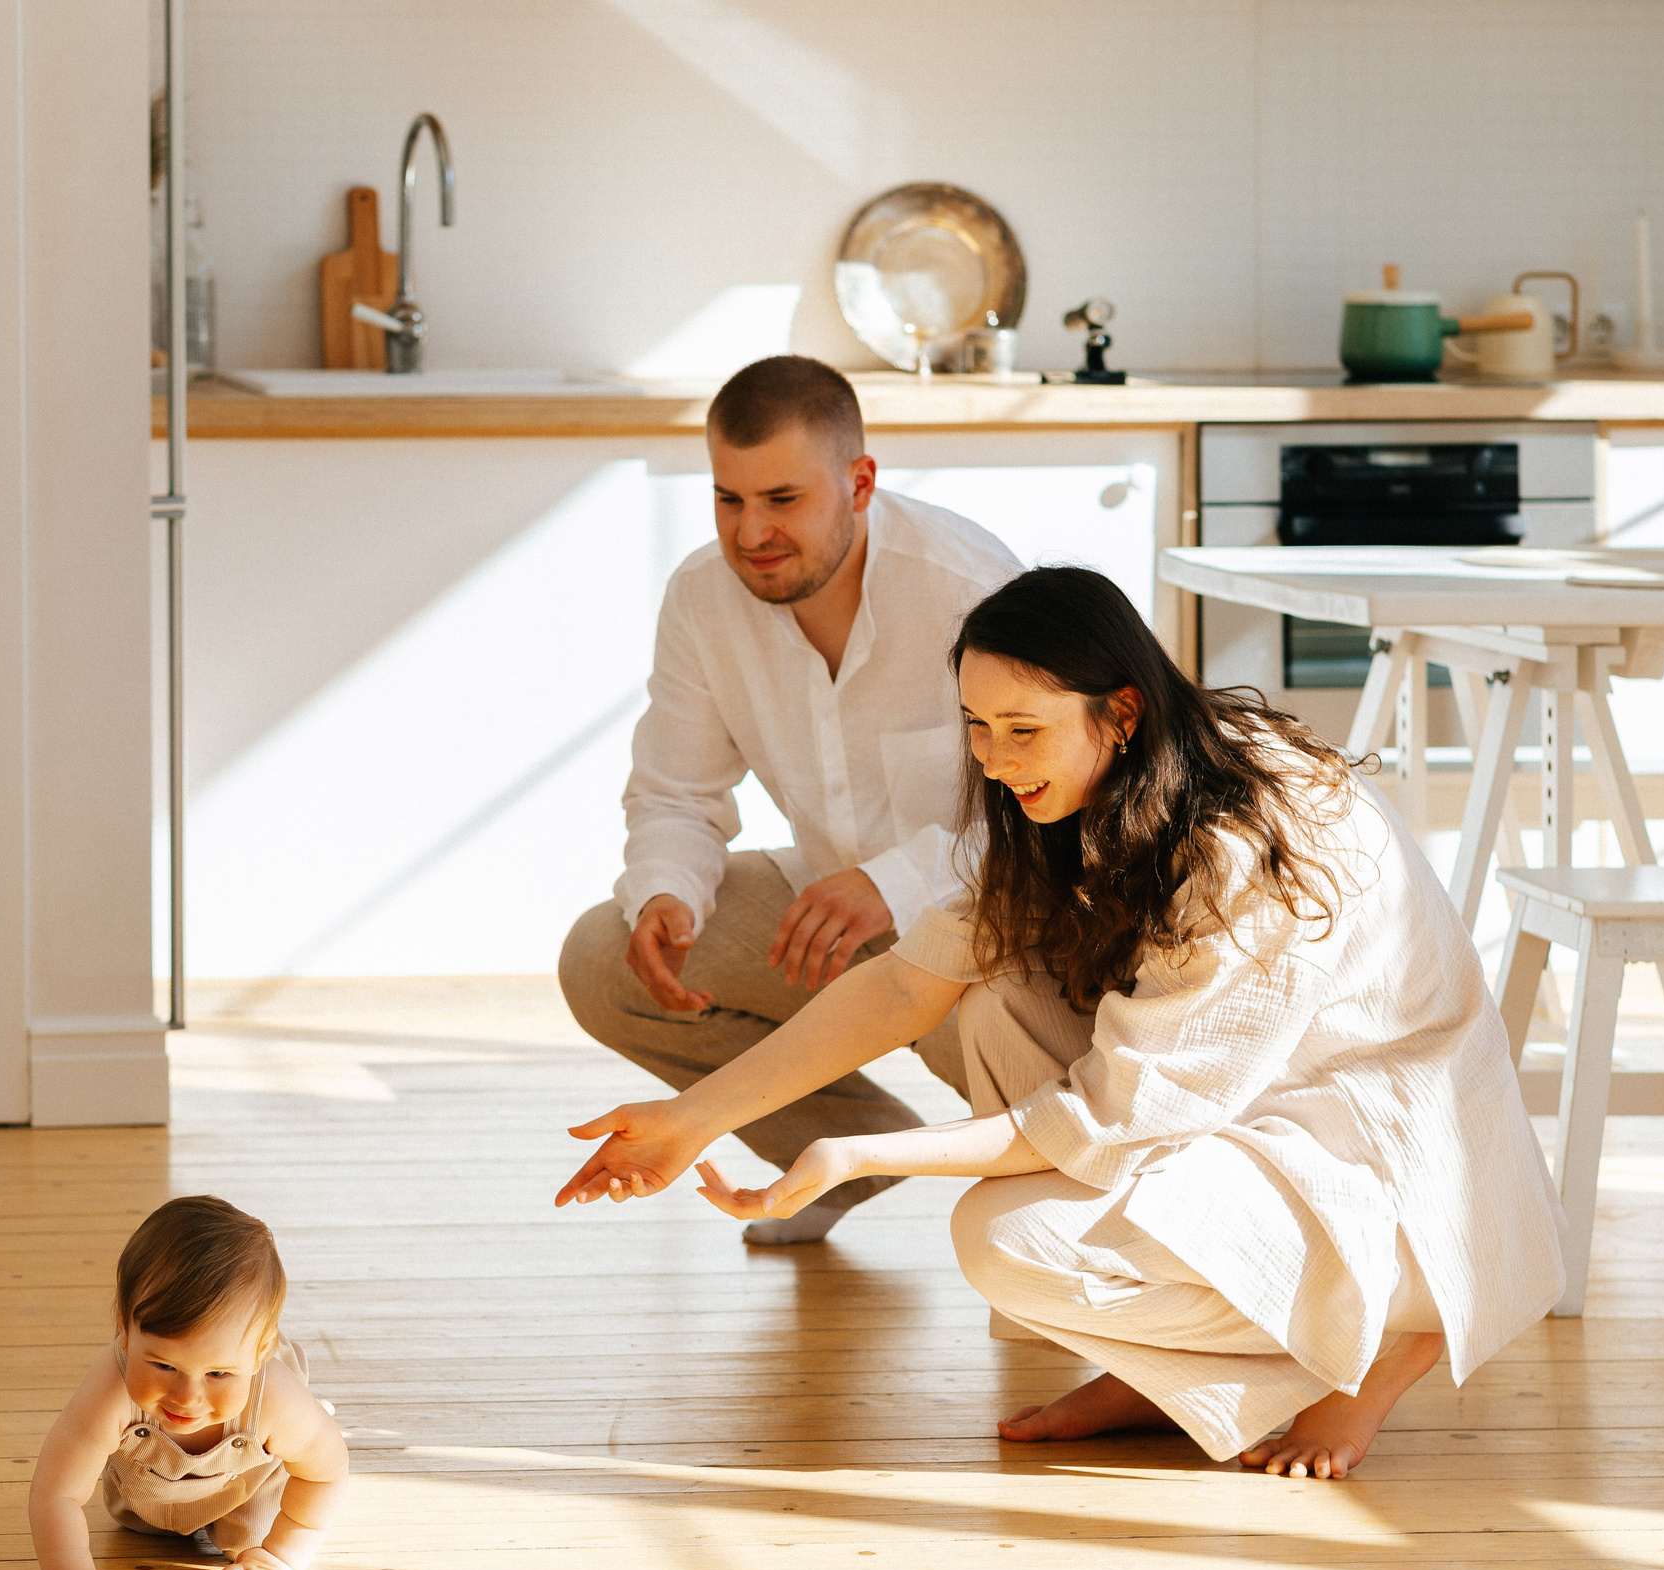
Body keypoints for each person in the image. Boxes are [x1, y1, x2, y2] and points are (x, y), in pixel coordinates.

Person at [557, 567, 1565, 1477]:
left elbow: (1104, 1115)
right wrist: (689, 1118)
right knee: (992, 999)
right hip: (1244, 1109)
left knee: (1007, 1244)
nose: (993, 759)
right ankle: (1167, 1379)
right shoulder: (1092, 791)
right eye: (975, 725)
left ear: (1119, 712)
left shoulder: (1237, 843)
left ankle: (1383, 1342)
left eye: (1022, 729)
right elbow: (912, 982)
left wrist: (855, 1154)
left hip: (1376, 1155)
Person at [559, 354, 1022, 1245]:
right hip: (827, 909)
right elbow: (675, 791)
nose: (752, 532)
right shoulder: (701, 597)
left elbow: (1063, 817)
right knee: (603, 956)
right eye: (729, 500)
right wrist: (667, 893)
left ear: (860, 483)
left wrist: (890, 883)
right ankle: (840, 1151)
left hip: (987, 926)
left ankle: (1056, 1236)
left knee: (1027, 1133)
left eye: (782, 498)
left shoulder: (970, 587)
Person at [30, 1196, 348, 1570]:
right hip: (145, 1488)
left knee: (247, 1539)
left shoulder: (274, 1397)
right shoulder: (110, 1390)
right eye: (162, 1365)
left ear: (259, 1353)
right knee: (139, 1525)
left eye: (219, 1373)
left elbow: (327, 1473)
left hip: (249, 1482)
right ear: (124, 1328)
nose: (187, 1397)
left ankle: (312, 1425)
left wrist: (280, 1557)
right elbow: (55, 1493)